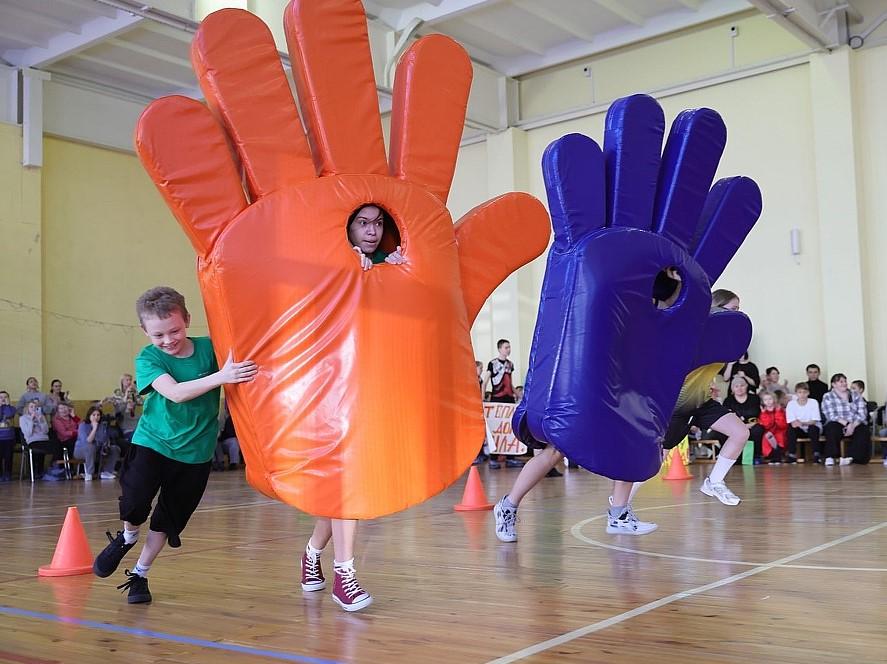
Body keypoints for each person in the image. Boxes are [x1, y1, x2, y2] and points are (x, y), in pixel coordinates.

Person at [92, 286, 257, 604]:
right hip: (153, 442)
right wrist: (222, 377)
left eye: (175, 331)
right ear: (145, 332)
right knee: (136, 502)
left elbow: (246, 358)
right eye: (158, 335)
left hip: (196, 452)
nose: (168, 340)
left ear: (187, 321)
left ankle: (140, 574)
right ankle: (127, 536)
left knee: (168, 518)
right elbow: (176, 392)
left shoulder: (211, 350)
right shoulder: (149, 357)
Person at [299, 209, 407, 614]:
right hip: (330, 391)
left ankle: (312, 554)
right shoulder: (333, 262)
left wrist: (394, 274)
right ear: (346, 228)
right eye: (363, 222)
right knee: (347, 487)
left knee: (343, 490)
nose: (372, 230)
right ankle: (344, 575)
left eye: (378, 223)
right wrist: (349, 267)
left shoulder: (388, 265)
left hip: (372, 390)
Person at [484, 339, 524, 470]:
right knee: (496, 428)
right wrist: (482, 399)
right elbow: (485, 382)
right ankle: (493, 458)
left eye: (509, 347)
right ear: (500, 349)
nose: (509, 349)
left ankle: (510, 457)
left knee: (509, 428)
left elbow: (510, 383)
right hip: (497, 399)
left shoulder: (510, 364)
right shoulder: (493, 364)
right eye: (506, 347)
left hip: (509, 400)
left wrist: (520, 396)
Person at [821, 373, 870, 466]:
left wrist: (853, 425)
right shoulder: (828, 396)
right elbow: (830, 414)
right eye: (841, 382)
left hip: (855, 422)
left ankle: (851, 457)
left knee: (863, 430)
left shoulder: (855, 394)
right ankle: (831, 456)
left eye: (845, 381)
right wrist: (847, 424)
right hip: (838, 421)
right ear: (834, 384)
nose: (844, 383)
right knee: (831, 429)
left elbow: (862, 413)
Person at [347, 204, 405, 270]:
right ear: (348, 226)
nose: (373, 232)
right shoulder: (336, 260)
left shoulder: (385, 259)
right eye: (363, 222)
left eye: (378, 223)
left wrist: (395, 268)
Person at [19, 400, 65, 480]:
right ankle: (40, 472)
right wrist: (31, 420)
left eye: (36, 407)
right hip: (33, 441)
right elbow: (28, 433)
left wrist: (41, 421)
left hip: (44, 439)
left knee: (58, 444)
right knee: (40, 450)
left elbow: (46, 431)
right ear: (27, 408)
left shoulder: (41, 416)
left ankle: (54, 467)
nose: (34, 409)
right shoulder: (23, 418)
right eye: (31, 407)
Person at [722, 376, 764, 463]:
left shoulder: (754, 398)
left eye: (742, 385)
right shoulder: (728, 400)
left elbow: (760, 414)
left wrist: (750, 424)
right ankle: (734, 457)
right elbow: (726, 417)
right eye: (736, 386)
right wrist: (740, 426)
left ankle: (756, 455)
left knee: (758, 430)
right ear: (732, 388)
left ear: (746, 386)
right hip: (735, 426)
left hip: (753, 424)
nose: (739, 388)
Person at [76, 405, 121, 481]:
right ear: (89, 416)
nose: (96, 417)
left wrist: (106, 445)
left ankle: (106, 472)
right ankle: (89, 473)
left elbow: (103, 439)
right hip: (81, 450)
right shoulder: (83, 426)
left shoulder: (102, 426)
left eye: (98, 415)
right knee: (90, 447)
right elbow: (88, 441)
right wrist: (94, 429)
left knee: (115, 449)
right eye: (93, 415)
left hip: (97, 450)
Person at [786, 382, 822, 463]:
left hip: (811, 427)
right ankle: (791, 454)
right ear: (796, 393)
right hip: (799, 428)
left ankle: (816, 454)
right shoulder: (791, 404)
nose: (802, 395)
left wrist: (802, 423)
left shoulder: (813, 402)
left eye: (804, 392)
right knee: (791, 430)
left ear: (808, 393)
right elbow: (793, 423)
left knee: (813, 429)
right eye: (800, 392)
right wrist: (801, 423)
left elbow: (814, 421)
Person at [106, 373, 143, 450]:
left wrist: (136, 392)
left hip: (134, 420)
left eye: (130, 380)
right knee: (133, 437)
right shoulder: (117, 392)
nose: (129, 382)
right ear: (122, 381)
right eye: (127, 380)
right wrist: (126, 394)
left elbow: (141, 402)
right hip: (124, 421)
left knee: (141, 437)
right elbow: (118, 407)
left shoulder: (134, 392)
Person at [758, 392, 787, 464]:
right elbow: (766, 425)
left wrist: (777, 412)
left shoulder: (779, 410)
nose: (768, 401)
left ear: (774, 399)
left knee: (780, 437)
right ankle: (774, 455)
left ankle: (777, 455)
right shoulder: (763, 411)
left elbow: (782, 424)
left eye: (770, 399)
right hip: (769, 431)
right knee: (767, 437)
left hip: (779, 430)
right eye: (765, 399)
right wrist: (764, 414)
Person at [214, 401, 240, 471]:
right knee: (214, 442)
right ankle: (219, 462)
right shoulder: (217, 416)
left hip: (225, 440)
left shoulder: (233, 418)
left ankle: (233, 463)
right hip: (216, 440)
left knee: (234, 441)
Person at [0, 391, 16, 481]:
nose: (3, 399)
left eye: (5, 397)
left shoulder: (12, 408)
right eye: (1, 397)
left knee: (8, 456)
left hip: (9, 437)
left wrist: (7, 405)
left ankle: (8, 473)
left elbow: (10, 414)